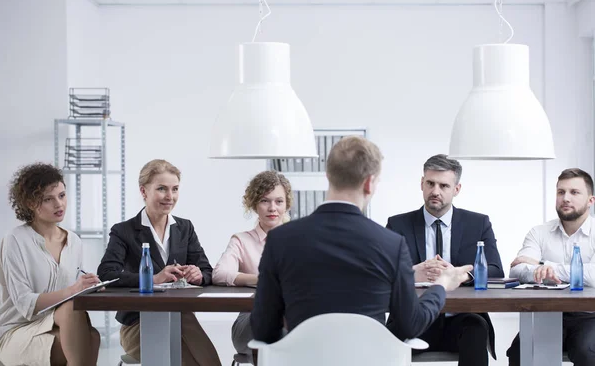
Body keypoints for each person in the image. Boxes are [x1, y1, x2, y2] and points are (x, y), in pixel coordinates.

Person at [251, 136, 472, 345]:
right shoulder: (390, 244)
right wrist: (442, 284)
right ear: (369, 183)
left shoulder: (280, 240)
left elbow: (262, 329)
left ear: (329, 176)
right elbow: (410, 325)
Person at [97, 159, 221, 366]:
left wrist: (198, 275)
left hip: (179, 319)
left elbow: (207, 270)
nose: (170, 196)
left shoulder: (185, 228)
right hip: (139, 323)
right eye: (162, 189)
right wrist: (153, 278)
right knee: (188, 358)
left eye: (175, 189)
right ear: (144, 191)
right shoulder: (124, 231)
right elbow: (106, 273)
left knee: (183, 322)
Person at [386, 154, 504, 366]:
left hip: (460, 319)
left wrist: (461, 275)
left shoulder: (478, 223)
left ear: (456, 189)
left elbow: (496, 270)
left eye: (443, 185)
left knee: (476, 328)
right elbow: (384, 275)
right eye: (430, 183)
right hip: (414, 317)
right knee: (384, 346)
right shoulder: (398, 225)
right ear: (422, 184)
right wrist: (412, 273)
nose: (435, 191)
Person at [0, 163, 100, 366]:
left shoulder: (74, 241)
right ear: (30, 203)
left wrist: (89, 287)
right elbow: (25, 304)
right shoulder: (15, 240)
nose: (59, 204)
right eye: (48, 199)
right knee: (85, 332)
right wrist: (72, 290)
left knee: (91, 335)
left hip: (53, 323)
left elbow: (69, 292)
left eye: (61, 195)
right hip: (15, 330)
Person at [507, 168, 595, 366]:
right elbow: (517, 271)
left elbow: (593, 275)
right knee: (520, 351)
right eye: (560, 192)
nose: (565, 198)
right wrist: (539, 270)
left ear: (591, 200)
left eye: (574, 192)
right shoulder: (539, 232)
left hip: (590, 316)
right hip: (546, 313)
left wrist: (543, 266)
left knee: (586, 351)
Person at [213, 170, 292, 356]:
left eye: (279, 201)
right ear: (254, 204)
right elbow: (220, 274)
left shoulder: (299, 239)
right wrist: (264, 280)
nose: (272, 208)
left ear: (286, 204)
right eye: (265, 201)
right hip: (250, 320)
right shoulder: (241, 240)